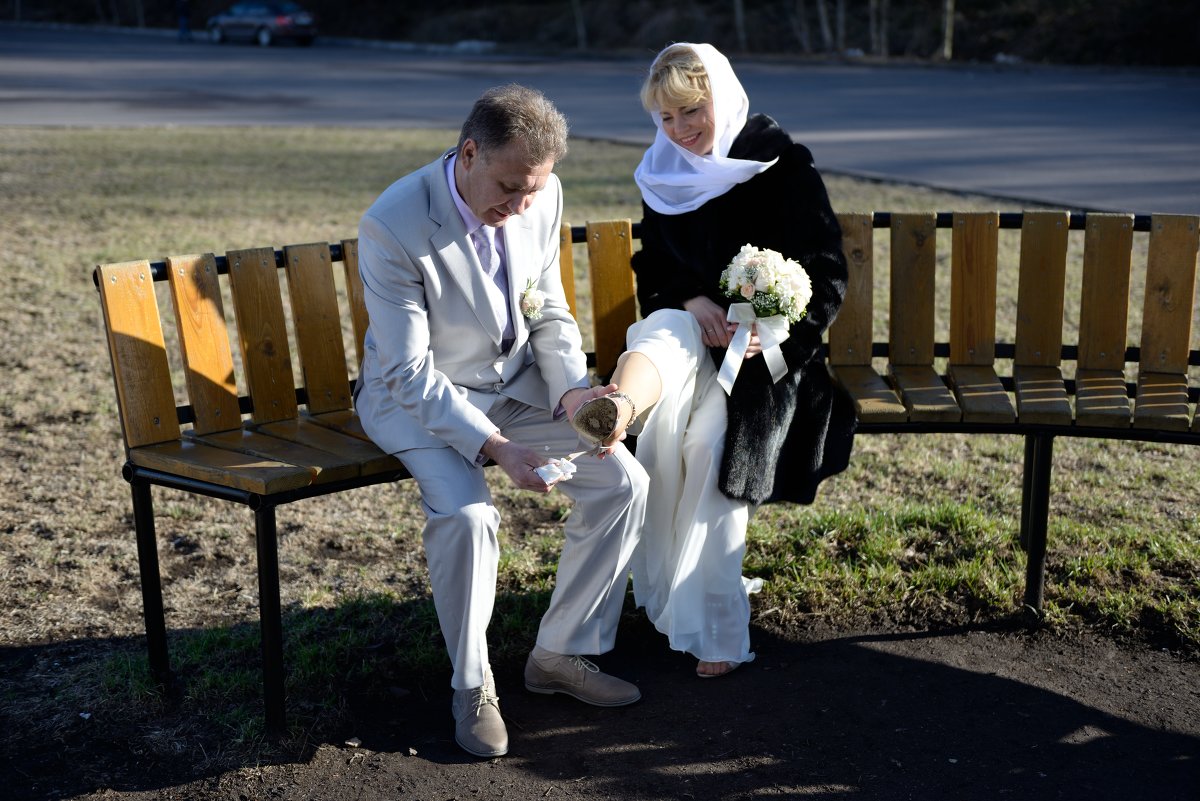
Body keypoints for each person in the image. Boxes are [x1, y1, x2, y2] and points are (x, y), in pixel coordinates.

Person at [355, 84, 649, 759]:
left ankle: (557, 654)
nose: (521, 206)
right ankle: (471, 683)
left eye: (533, 191)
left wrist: (574, 395)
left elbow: (547, 309)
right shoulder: (393, 223)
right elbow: (407, 372)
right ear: (468, 153)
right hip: (415, 402)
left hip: (515, 388)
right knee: (468, 516)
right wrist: (496, 446)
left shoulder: (540, 195)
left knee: (624, 483)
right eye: (510, 186)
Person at [571, 43, 855, 679]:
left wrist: (777, 333)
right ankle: (618, 405)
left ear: (720, 98)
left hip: (770, 359)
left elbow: (828, 273)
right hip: (687, 340)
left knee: (709, 445)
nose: (680, 130)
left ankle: (718, 627)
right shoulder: (664, 170)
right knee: (665, 336)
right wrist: (690, 297)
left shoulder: (780, 164)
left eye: (691, 111)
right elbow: (654, 266)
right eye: (666, 118)